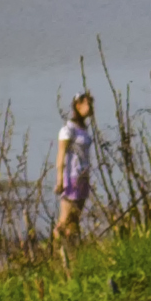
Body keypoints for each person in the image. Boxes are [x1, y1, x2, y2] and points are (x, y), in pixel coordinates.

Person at [51, 89, 97, 246]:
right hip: (71, 178)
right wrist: (59, 181)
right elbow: (61, 155)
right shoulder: (68, 130)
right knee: (64, 220)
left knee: (75, 218)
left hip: (83, 177)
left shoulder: (83, 129)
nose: (91, 108)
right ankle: (57, 249)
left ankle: (72, 250)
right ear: (78, 106)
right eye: (88, 104)